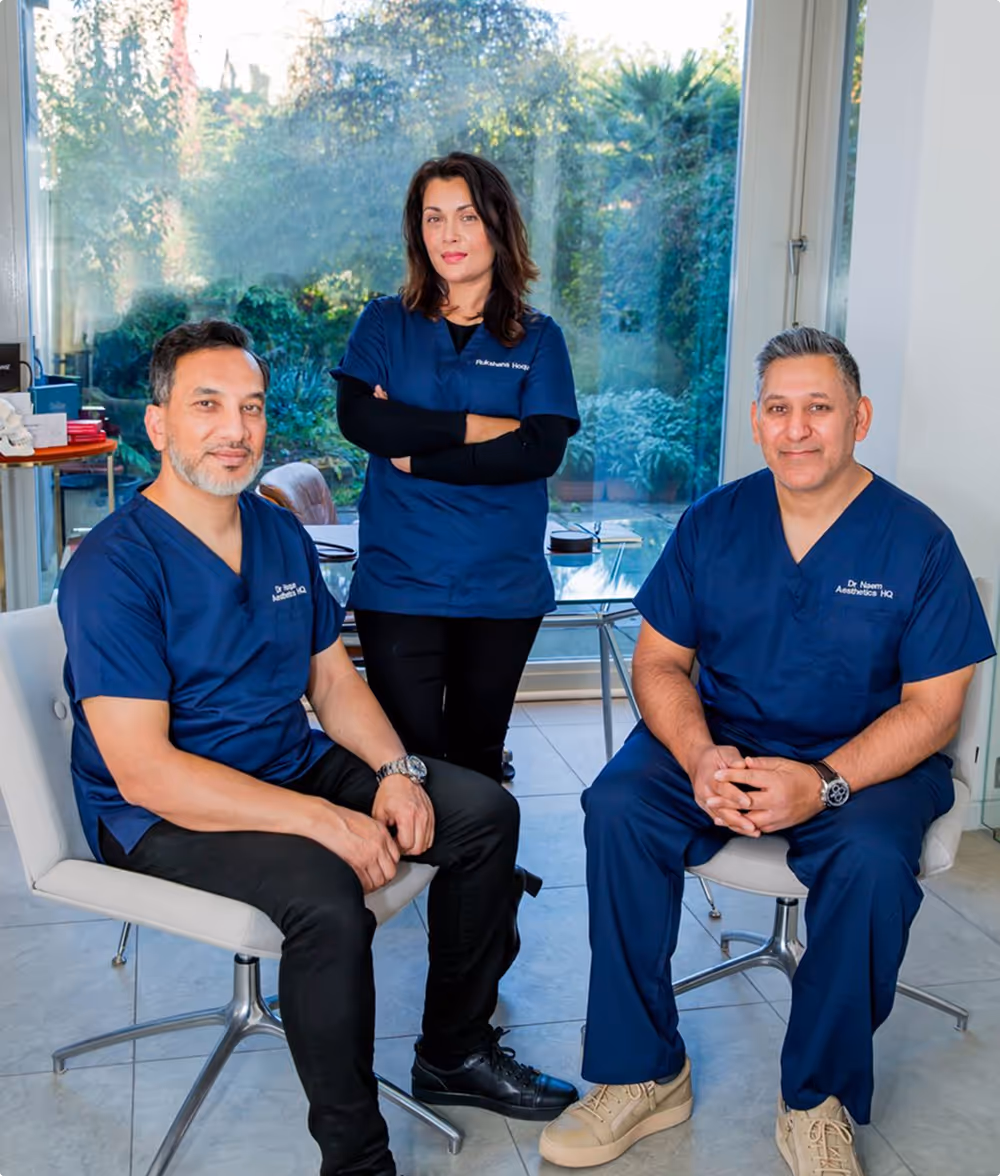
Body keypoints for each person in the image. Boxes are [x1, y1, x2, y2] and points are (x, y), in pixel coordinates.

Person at [57, 320, 577, 1176]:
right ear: (158, 426)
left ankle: (453, 1049)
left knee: (482, 812)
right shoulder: (115, 566)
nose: (236, 430)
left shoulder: (275, 533)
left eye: (252, 408)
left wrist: (396, 770)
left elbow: (332, 684)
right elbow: (145, 769)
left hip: (283, 759)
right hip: (159, 810)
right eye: (208, 406)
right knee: (328, 897)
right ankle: (357, 1158)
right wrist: (321, 823)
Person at [538, 327, 995, 1174]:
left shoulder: (917, 541)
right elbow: (660, 662)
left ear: (858, 417)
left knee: (867, 861)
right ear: (755, 422)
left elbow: (934, 712)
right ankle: (642, 1073)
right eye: (779, 409)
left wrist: (821, 784)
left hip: (866, 764)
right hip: (726, 741)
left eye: (819, 408)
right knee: (619, 806)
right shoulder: (715, 522)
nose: (798, 429)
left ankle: (816, 1099)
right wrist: (700, 754)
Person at [333, 152, 580, 958]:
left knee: (477, 759)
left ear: (497, 225)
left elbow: (538, 451)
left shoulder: (539, 339)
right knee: (411, 762)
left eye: (466, 215)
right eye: (433, 218)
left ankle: (475, 932)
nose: (449, 234)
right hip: (400, 581)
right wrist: (478, 425)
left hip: (500, 590)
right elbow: (365, 427)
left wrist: (423, 442)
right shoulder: (383, 321)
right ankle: (434, 907)